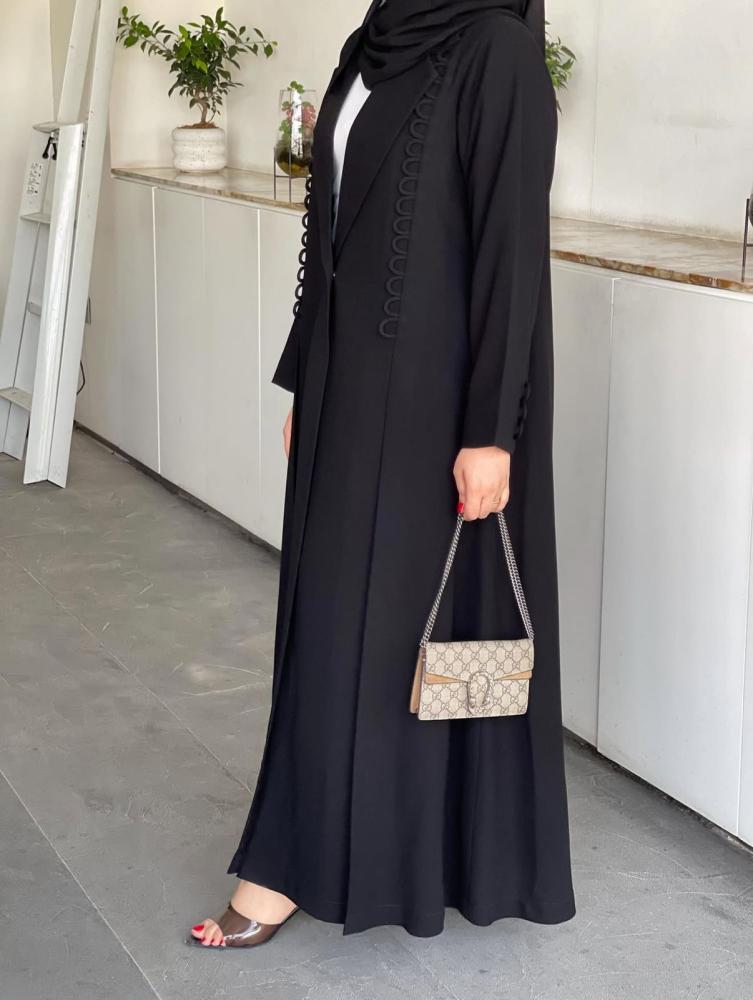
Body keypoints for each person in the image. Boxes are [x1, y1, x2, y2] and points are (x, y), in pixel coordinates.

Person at [190, 0, 576, 947]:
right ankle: (306, 850)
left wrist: (491, 433)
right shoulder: (368, 44)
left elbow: (511, 255)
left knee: (409, 632)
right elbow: (330, 232)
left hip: (438, 410)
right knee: (329, 620)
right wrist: (305, 378)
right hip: (345, 391)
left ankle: (338, 866)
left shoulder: (496, 53)